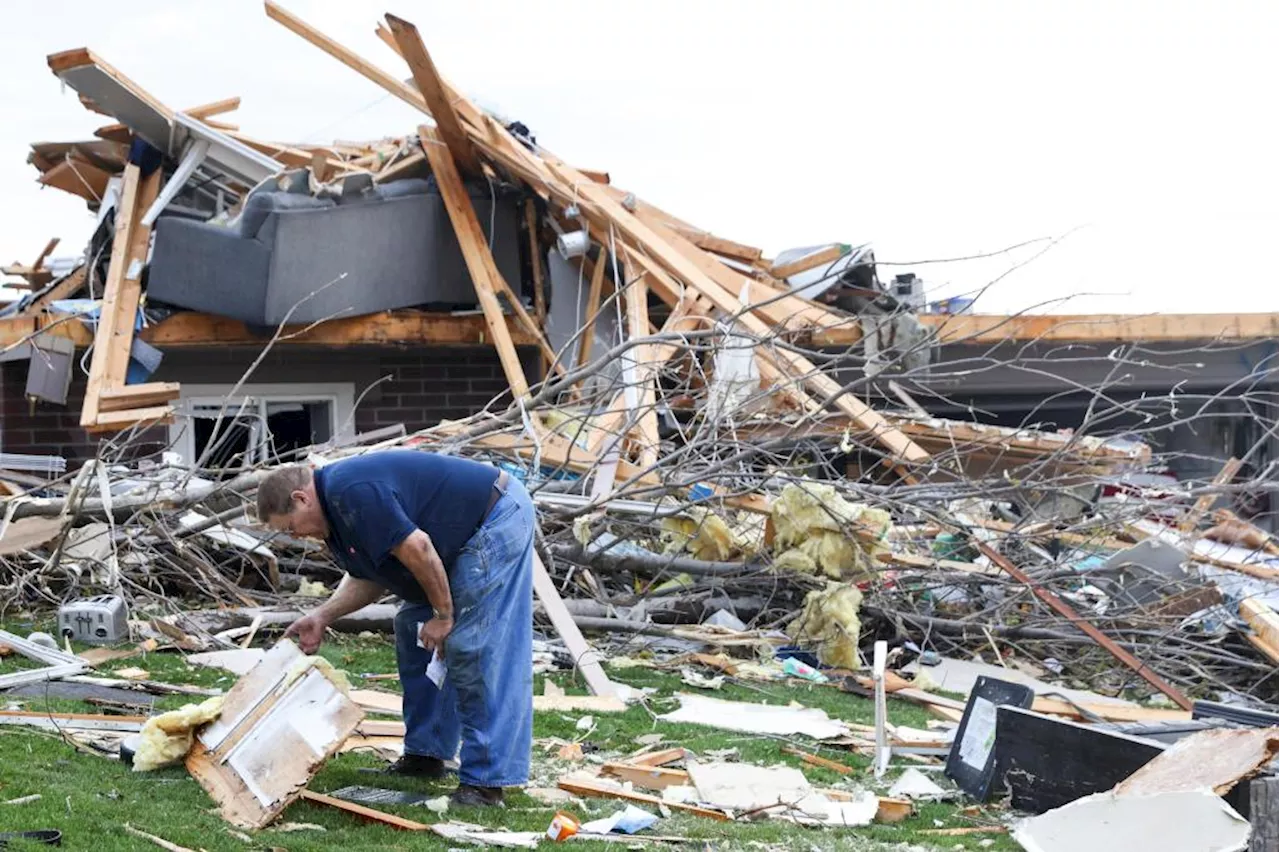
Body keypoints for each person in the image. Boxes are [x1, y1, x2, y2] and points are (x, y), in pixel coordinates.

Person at [256, 450, 534, 807]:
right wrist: (322, 616)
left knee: (471, 644)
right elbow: (370, 577)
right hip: (446, 544)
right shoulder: (337, 516)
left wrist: (445, 616)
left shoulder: (352, 491)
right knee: (412, 627)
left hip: (492, 518)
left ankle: (486, 782)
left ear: (301, 498)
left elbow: (418, 547)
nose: (296, 537)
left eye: (291, 527)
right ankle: (426, 756)